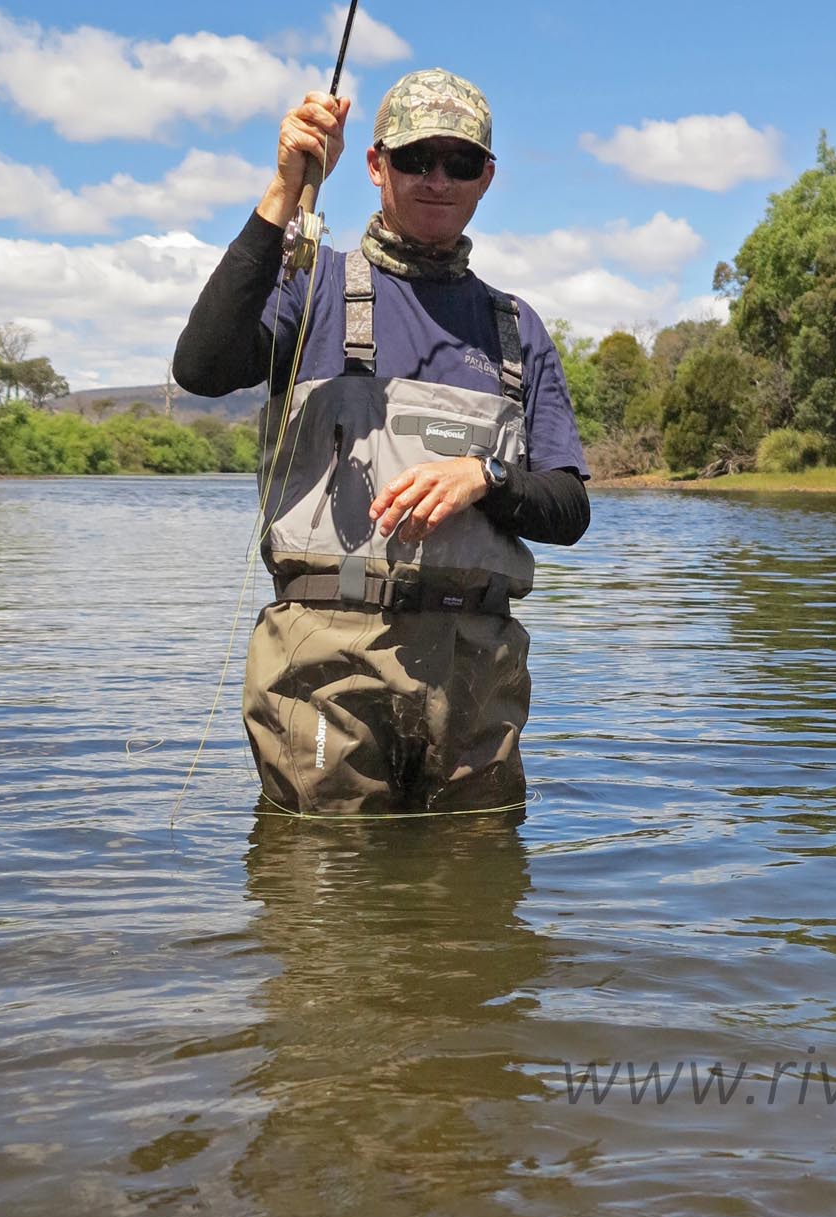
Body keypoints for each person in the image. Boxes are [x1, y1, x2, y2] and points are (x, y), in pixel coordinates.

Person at [174, 68, 590, 816]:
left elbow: (568, 508)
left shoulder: (516, 328)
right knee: (321, 909)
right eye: (413, 159)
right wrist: (283, 190)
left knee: (476, 908)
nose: (437, 179)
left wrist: (488, 477)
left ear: (486, 178)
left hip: (478, 665)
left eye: (459, 162)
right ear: (374, 166)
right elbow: (200, 367)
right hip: (323, 659)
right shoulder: (313, 286)